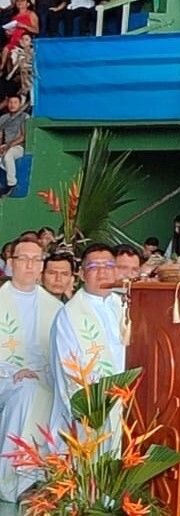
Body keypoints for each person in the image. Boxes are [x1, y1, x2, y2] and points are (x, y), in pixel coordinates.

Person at [0, 238, 61, 501]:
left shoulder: (56, 308)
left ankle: (44, 476)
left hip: (42, 379)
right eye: (24, 258)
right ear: (10, 264)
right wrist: (11, 370)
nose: (30, 265)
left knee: (45, 392)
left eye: (37, 260)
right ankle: (15, 481)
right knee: (28, 392)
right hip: (4, 375)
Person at [49, 244, 124, 441]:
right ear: (82, 274)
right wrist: (94, 407)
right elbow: (69, 367)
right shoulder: (69, 315)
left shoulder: (126, 305)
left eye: (108, 265)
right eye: (93, 267)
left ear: (116, 270)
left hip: (130, 402)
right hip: (95, 407)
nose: (102, 272)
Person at [0, 94, 27, 193]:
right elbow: (1, 134)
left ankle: (11, 184)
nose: (12, 105)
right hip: (6, 146)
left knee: (8, 156)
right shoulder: (3, 118)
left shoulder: (25, 117)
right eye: (10, 102)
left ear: (20, 104)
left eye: (15, 102)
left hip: (19, 147)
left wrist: (8, 146)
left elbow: (23, 136)